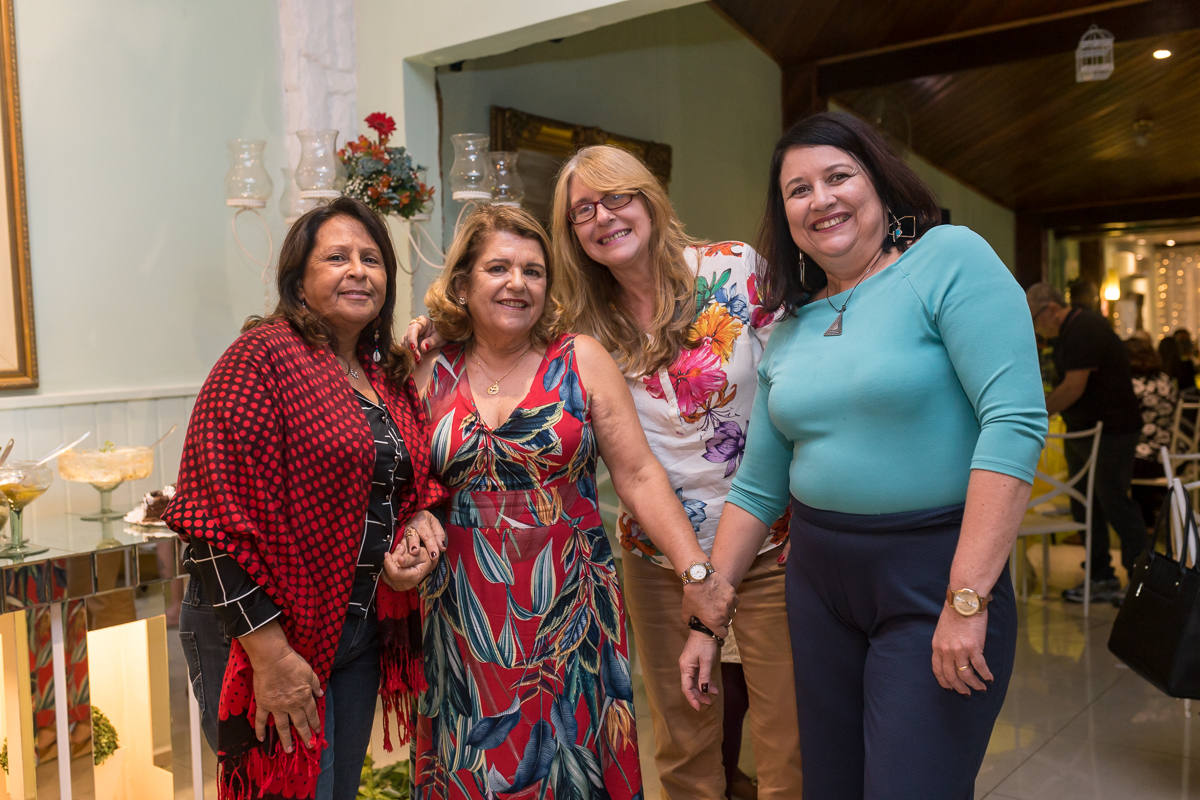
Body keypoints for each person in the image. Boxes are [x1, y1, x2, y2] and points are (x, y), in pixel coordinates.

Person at [680, 111, 1047, 800]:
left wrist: (968, 599)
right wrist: (707, 616)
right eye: (798, 190)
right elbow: (759, 487)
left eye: (838, 177)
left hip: (933, 574)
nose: (820, 200)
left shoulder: (949, 259)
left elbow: (1015, 423)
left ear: (879, 185)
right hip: (819, 585)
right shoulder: (789, 328)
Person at [409, 204, 734, 800]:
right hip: (459, 607)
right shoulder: (428, 366)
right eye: (498, 268)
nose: (518, 283)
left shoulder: (579, 357)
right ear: (462, 283)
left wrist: (696, 572)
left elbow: (637, 474)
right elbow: (399, 481)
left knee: (568, 762)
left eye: (534, 271)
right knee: (469, 759)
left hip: (569, 600)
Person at [165, 197, 448, 800]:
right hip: (260, 628)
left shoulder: (385, 377)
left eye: (372, 259)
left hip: (355, 628)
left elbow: (398, 484)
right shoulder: (262, 357)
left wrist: (413, 525)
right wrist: (270, 657)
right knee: (286, 790)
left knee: (336, 789)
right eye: (337, 257)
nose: (359, 271)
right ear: (299, 280)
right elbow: (206, 519)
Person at [551, 145, 800, 800]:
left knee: (789, 740)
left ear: (650, 199)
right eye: (583, 211)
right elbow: (494, 333)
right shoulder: (579, 328)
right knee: (686, 746)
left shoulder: (734, 268)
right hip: (661, 559)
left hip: (775, 543)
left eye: (617, 197)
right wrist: (432, 328)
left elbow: (798, 390)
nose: (603, 217)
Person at [1027, 282, 1146, 603]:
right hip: (1084, 428)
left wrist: (1036, 415)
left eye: (1034, 318)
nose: (1035, 328)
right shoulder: (1068, 333)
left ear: (1051, 310)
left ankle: (1141, 581)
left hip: (1112, 429)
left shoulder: (1085, 327)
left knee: (1113, 501)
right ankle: (1099, 576)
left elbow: (1073, 388)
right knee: (1084, 503)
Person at [1126, 337, 1177, 528]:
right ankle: (1150, 517)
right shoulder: (1165, 380)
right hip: (1169, 456)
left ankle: (1134, 525)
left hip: (1144, 458)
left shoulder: (1132, 385)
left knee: (1107, 465)